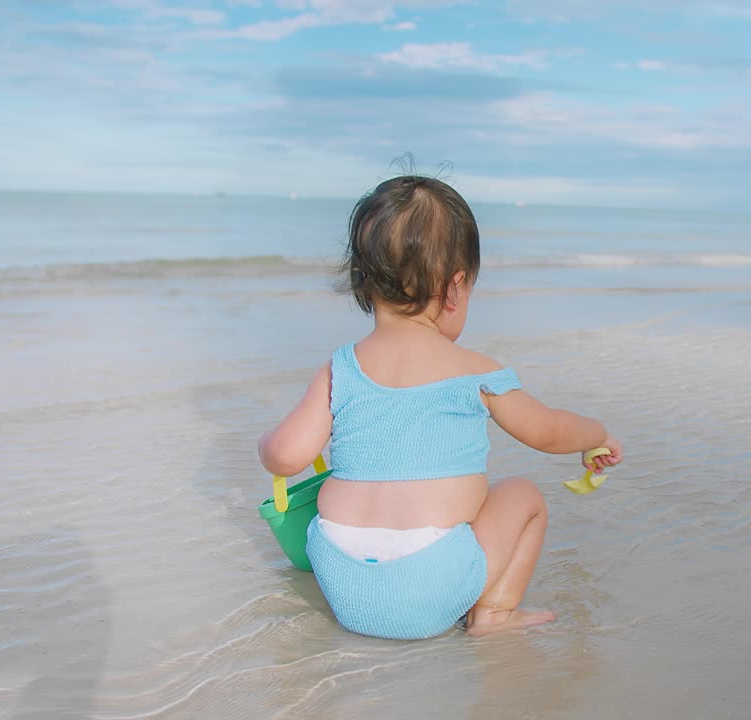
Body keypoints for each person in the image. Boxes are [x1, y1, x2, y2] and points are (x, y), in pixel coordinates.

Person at [258, 175, 623, 640]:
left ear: (361, 281)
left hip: (345, 587)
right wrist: (597, 434)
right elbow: (549, 432)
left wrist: (264, 442)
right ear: (455, 288)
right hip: (431, 587)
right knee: (524, 497)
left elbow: (286, 457)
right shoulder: (476, 372)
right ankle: (493, 616)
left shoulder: (340, 369)